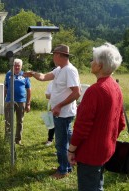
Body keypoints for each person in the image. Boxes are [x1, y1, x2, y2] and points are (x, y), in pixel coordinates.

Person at [68, 43, 125, 190]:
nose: (91, 63)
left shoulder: (95, 91)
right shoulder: (116, 87)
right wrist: (109, 140)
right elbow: (121, 122)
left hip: (90, 153)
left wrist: (71, 150)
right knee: (97, 184)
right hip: (107, 150)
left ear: (99, 66)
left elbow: (81, 127)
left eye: (93, 60)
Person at [23, 44, 81, 179]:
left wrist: (59, 106)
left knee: (61, 143)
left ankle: (63, 170)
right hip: (60, 112)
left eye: (54, 55)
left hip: (63, 113)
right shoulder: (59, 69)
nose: (53, 57)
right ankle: (70, 164)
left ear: (60, 55)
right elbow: (44, 77)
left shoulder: (70, 70)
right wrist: (33, 73)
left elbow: (77, 93)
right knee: (67, 138)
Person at [4, 58, 31, 146]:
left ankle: (18, 140)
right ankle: (8, 140)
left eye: (18, 66)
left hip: (21, 101)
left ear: (21, 66)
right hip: (9, 101)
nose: (16, 67)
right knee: (8, 121)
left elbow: (29, 90)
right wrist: (3, 100)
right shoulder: (8, 74)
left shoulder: (24, 75)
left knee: (20, 121)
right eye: (15, 65)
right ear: (12, 66)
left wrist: (28, 103)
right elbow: (5, 88)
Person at [45, 81, 55, 146]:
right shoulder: (51, 83)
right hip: (51, 105)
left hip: (62, 107)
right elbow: (47, 95)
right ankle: (50, 139)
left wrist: (53, 95)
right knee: (50, 124)